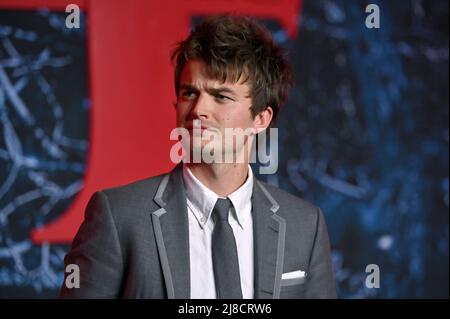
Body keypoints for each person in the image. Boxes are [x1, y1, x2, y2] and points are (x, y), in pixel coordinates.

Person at [60, 14, 337, 299]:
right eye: (190, 93)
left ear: (261, 119)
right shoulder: (118, 217)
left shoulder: (305, 226)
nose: (198, 110)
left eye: (221, 96)